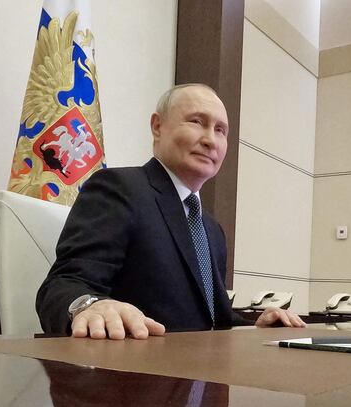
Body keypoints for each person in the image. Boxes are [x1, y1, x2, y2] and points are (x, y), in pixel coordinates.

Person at [36, 83, 305, 339]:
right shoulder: (118, 189)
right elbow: (63, 284)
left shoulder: (212, 230)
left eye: (221, 130)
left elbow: (212, 319)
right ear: (157, 126)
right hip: (136, 366)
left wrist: (254, 328)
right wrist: (90, 306)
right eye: (197, 122)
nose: (210, 140)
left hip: (201, 367)